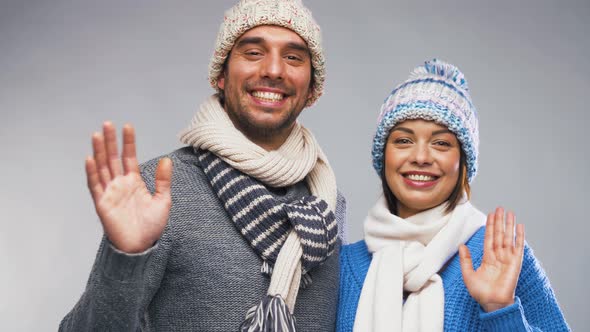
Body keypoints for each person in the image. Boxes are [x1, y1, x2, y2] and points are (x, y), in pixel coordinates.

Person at [59, 0, 347, 331]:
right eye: (253, 53)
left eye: (293, 57)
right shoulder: (158, 188)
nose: (274, 70)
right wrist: (125, 257)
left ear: (312, 87)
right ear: (221, 75)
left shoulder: (327, 202)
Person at [336, 59, 570, 331]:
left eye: (441, 143)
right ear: (383, 155)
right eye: (403, 140)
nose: (421, 157)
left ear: (463, 162)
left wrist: (501, 310)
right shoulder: (346, 264)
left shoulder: (497, 252)